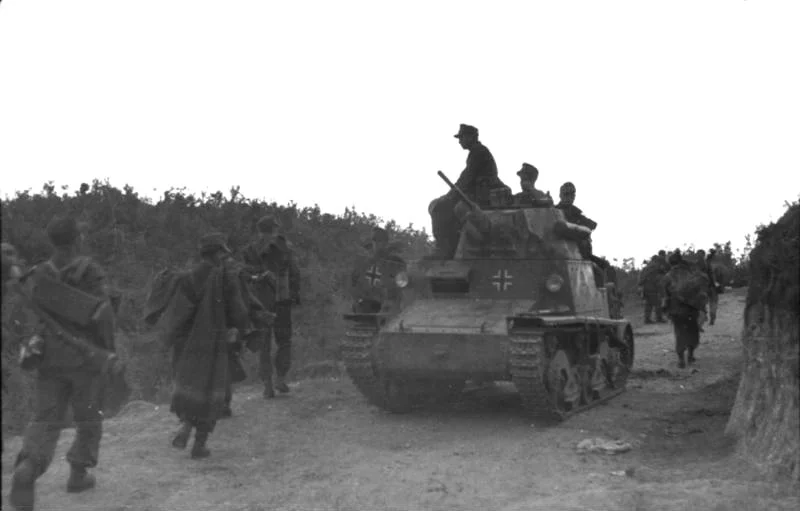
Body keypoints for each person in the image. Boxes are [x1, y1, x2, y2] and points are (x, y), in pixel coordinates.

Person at [9, 216, 116, 510]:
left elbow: (29, 317)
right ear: (77, 239)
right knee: (89, 418)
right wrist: (108, 351)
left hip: (49, 360)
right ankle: (77, 475)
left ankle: (27, 468)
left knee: (45, 420)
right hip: (85, 360)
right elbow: (103, 315)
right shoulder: (90, 271)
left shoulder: (39, 273)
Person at [167, 232, 257, 459]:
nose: (224, 257)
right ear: (216, 254)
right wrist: (242, 327)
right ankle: (199, 444)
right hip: (216, 342)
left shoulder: (188, 278)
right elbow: (237, 308)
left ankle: (186, 425)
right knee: (213, 391)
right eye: (222, 253)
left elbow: (179, 313)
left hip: (189, 345)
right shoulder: (225, 277)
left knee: (192, 387)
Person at [240, 215, 301, 398]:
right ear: (274, 228)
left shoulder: (250, 250)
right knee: (284, 341)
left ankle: (267, 385)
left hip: (260, 301)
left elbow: (244, 273)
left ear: (259, 230)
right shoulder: (285, 247)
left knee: (264, 343)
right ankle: (280, 379)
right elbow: (294, 272)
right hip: (281, 299)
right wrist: (295, 295)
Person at [429, 124, 509, 258]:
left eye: (462, 137)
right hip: (478, 194)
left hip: (482, 196)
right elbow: (466, 177)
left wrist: (450, 196)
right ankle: (451, 247)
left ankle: (444, 249)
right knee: (447, 207)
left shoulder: (479, 152)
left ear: (471, 137)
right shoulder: (477, 152)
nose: (460, 141)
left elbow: (467, 177)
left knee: (440, 207)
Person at [662, 251, 709, 368]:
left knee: (679, 333)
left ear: (670, 263)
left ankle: (681, 359)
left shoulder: (668, 276)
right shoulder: (691, 273)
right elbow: (700, 290)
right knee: (693, 331)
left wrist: (665, 309)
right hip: (692, 309)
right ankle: (691, 355)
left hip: (676, 310)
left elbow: (665, 296)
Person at [350, 227, 406, 314]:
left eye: (379, 240)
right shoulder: (365, 263)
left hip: (389, 306)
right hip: (367, 305)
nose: (376, 243)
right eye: (374, 240)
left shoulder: (396, 262)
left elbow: (402, 285)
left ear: (385, 242)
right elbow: (355, 283)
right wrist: (356, 300)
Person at [638, 255, 668, 324]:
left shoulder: (646, 268)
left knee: (649, 304)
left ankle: (647, 319)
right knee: (657, 303)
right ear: (655, 260)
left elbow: (641, 279)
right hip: (652, 288)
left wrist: (641, 286)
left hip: (646, 288)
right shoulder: (654, 267)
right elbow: (656, 279)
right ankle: (658, 318)